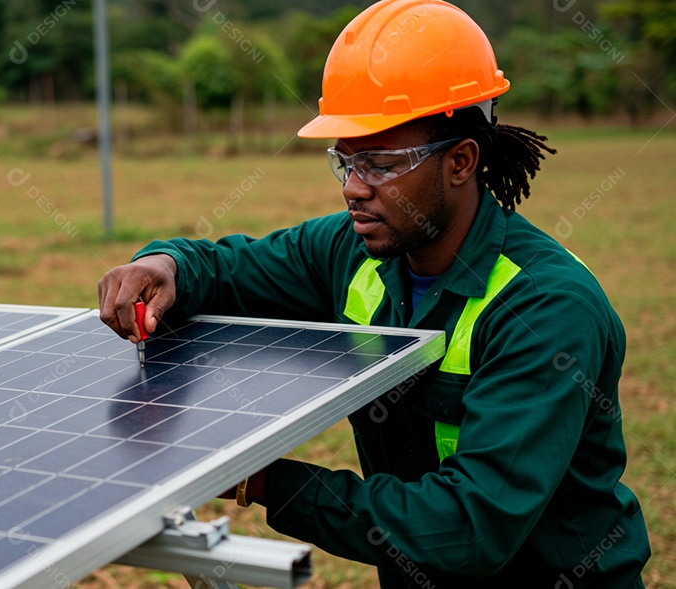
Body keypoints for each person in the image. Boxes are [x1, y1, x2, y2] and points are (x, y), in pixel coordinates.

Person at [97, 0, 651, 586]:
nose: (354, 189)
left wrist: (262, 481)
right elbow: (227, 269)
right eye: (346, 162)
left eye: (382, 163)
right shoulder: (353, 249)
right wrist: (164, 264)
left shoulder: (545, 309)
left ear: (461, 161)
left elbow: (464, 528)